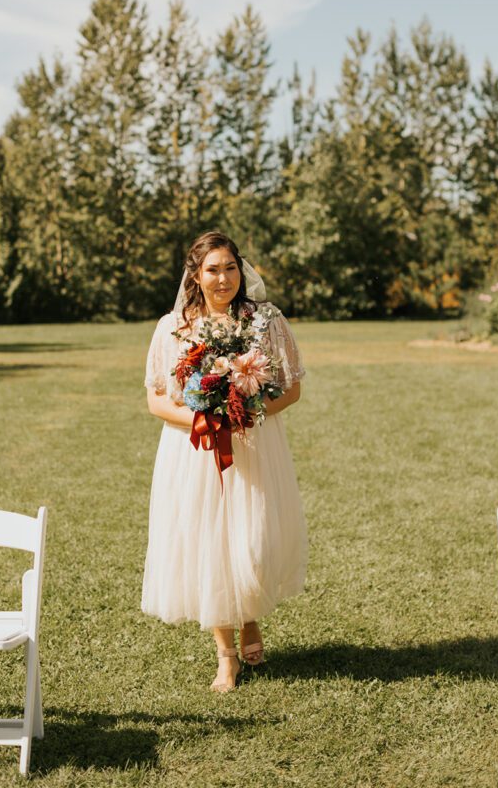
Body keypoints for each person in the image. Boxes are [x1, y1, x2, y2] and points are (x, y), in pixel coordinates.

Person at [141, 230, 308, 692]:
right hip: (194, 451)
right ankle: (226, 654)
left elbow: (291, 388)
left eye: (230, 267)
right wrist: (206, 416)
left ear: (241, 269)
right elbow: (156, 402)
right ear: (196, 275)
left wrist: (243, 414)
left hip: (253, 444)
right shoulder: (173, 327)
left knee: (252, 538)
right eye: (212, 269)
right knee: (209, 546)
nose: (223, 278)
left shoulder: (265, 321)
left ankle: (249, 616)